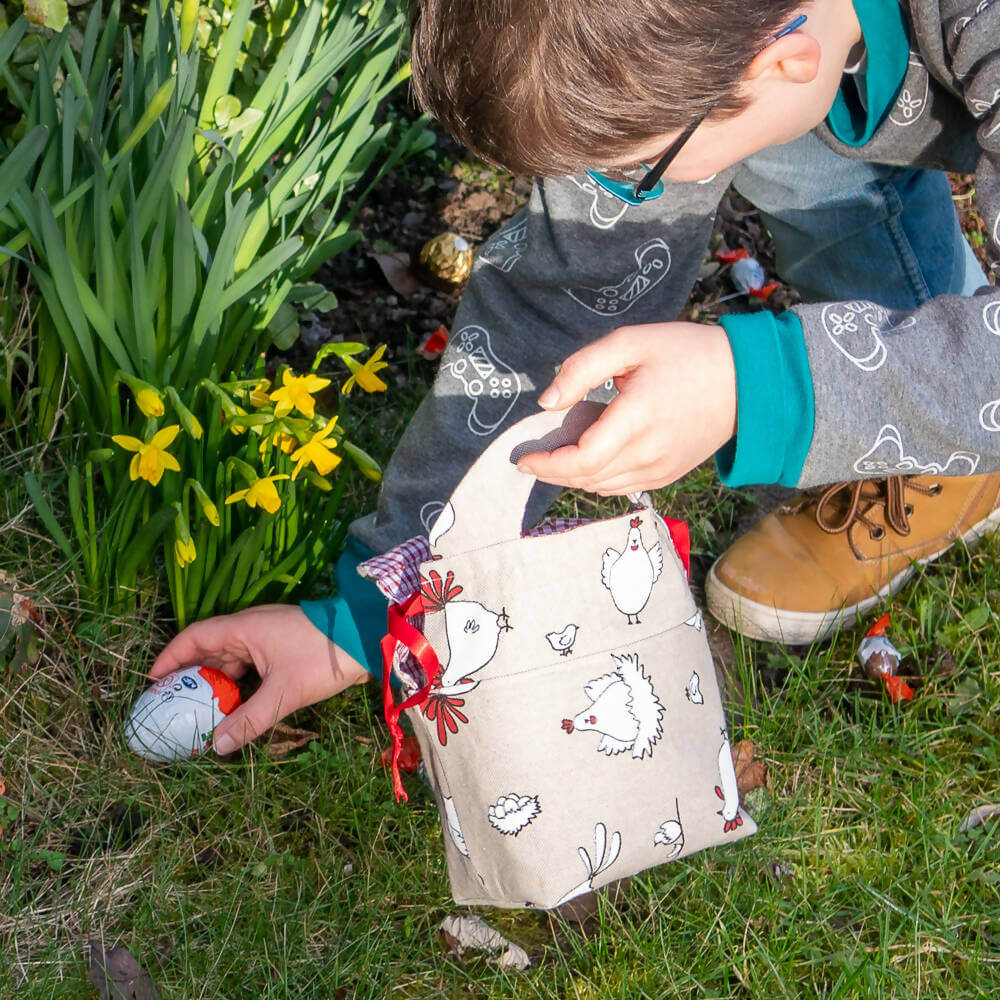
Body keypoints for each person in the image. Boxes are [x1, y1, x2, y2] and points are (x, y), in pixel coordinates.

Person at [154, 0, 1000, 753]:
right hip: (846, 57)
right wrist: (376, 613)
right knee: (801, 145)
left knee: (802, 152)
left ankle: (940, 431)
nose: (611, 197)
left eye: (632, 170)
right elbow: (560, 305)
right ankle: (925, 415)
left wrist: (758, 385)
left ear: (780, 60)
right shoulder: (694, 39)